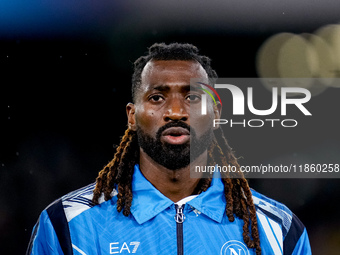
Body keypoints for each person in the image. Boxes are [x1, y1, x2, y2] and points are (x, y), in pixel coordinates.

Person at [26, 43, 312, 255]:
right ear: (132, 116)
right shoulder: (69, 225)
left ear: (216, 114)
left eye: (192, 97)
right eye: (157, 97)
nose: (175, 111)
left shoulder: (279, 229)